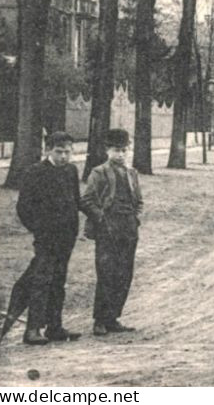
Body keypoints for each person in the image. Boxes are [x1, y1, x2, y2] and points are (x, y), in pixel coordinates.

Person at [13, 131, 82, 345]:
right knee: (41, 281)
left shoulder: (71, 170)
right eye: (59, 152)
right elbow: (23, 207)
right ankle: (32, 329)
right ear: (47, 150)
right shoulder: (35, 172)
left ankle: (55, 327)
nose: (63, 156)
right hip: (46, 238)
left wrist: (74, 229)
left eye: (67, 152)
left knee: (58, 282)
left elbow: (75, 201)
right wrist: (39, 231)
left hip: (66, 238)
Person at [80, 129, 140, 336]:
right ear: (107, 150)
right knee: (106, 273)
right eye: (116, 150)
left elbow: (138, 201)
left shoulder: (132, 173)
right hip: (107, 230)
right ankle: (99, 320)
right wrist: (102, 219)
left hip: (129, 229)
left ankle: (113, 318)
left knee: (124, 274)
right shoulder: (99, 172)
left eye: (124, 150)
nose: (121, 154)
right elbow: (87, 200)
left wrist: (134, 218)